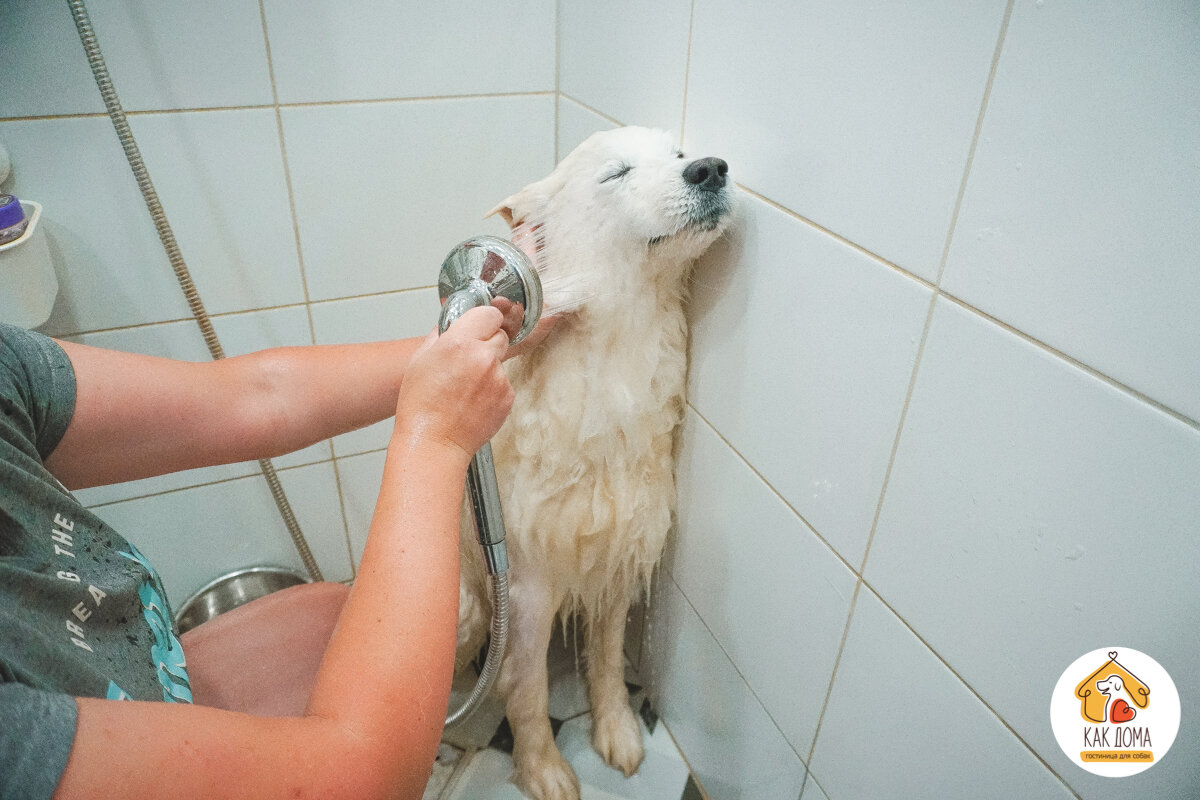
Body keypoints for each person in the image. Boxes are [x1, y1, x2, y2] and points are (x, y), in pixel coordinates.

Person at [0, 306, 552, 800]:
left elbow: (254, 396)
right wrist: (437, 437)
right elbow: (369, 779)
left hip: (125, 692)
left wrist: (455, 353)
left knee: (321, 615)